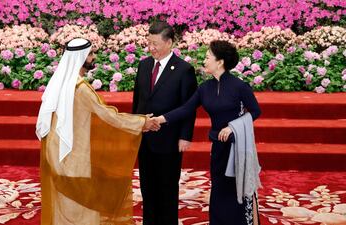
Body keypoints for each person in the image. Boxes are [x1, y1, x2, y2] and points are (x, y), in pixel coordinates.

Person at [36, 38, 160, 225]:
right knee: (83, 209)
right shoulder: (80, 89)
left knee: (63, 206)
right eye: (91, 54)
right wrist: (142, 122)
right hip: (74, 156)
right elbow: (108, 116)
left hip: (56, 153)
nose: (94, 57)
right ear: (81, 58)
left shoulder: (60, 83)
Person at [154, 40, 262, 225]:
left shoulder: (239, 86)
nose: (204, 60)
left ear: (220, 62)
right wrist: (159, 120)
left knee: (236, 189)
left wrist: (233, 126)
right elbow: (186, 109)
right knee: (219, 188)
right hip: (218, 146)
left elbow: (255, 111)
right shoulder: (205, 88)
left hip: (237, 147)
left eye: (207, 56)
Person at [132, 21, 198, 225]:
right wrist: (136, 126)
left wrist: (185, 136)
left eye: (155, 44)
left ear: (169, 43)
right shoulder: (143, 65)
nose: (151, 48)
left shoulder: (184, 70)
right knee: (147, 188)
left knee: (167, 189)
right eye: (148, 43)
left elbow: (189, 106)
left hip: (169, 139)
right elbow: (138, 100)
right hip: (145, 138)